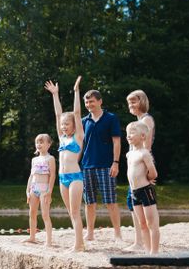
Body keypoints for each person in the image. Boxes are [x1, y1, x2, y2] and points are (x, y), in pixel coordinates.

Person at [44, 76, 85, 252]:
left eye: (67, 124)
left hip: (75, 177)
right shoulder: (61, 138)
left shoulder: (78, 136)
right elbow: (58, 114)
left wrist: (76, 91)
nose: (63, 126)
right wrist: (55, 94)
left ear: (74, 125)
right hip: (62, 178)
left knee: (75, 212)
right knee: (71, 213)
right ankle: (79, 242)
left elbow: (76, 113)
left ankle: (79, 245)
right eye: (62, 125)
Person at [81, 90, 122, 241]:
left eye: (91, 101)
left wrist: (115, 163)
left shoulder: (111, 118)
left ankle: (117, 233)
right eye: (86, 102)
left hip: (106, 165)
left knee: (110, 201)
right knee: (89, 202)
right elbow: (80, 144)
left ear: (100, 101)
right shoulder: (83, 121)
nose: (89, 105)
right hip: (87, 166)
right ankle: (90, 233)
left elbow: (117, 141)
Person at [125, 90, 156, 252]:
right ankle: (139, 241)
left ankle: (141, 243)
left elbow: (147, 145)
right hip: (134, 164)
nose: (131, 105)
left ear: (142, 101)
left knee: (141, 203)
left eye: (134, 102)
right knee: (132, 203)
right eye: (129, 102)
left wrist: (146, 170)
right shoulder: (137, 121)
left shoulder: (146, 120)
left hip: (142, 165)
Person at [25, 134, 57, 247]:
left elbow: (52, 175)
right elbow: (31, 176)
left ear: (48, 144)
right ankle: (32, 237)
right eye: (37, 142)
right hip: (34, 188)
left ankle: (48, 241)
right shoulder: (34, 159)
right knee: (32, 213)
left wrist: (49, 191)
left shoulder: (50, 158)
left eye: (41, 142)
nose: (39, 144)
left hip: (44, 189)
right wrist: (27, 191)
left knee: (45, 214)